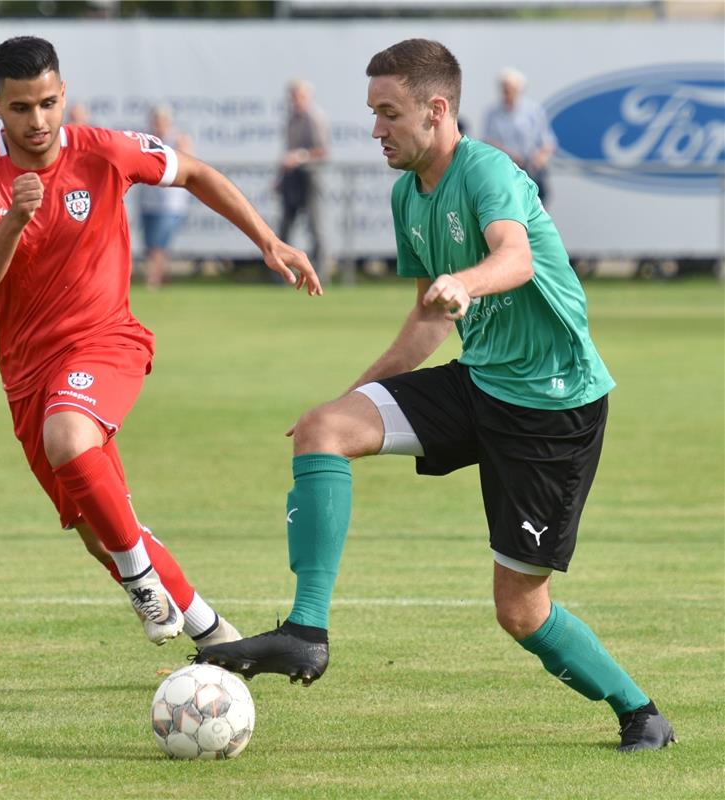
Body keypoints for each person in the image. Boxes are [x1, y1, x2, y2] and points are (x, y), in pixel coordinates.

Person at [197, 38, 675, 753]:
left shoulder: (487, 170)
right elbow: (427, 321)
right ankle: (304, 632)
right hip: (478, 381)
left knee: (519, 611)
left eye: (388, 114)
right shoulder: (406, 195)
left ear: (436, 109)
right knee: (322, 431)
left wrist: (467, 281)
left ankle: (640, 713)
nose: (375, 130)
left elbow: (512, 256)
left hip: (551, 409)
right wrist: (349, 397)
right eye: (372, 114)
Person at [0, 36, 321, 650]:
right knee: (101, 531)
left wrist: (268, 241)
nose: (36, 121)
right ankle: (216, 636)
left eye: (46, 103)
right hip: (26, 373)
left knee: (69, 436)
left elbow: (195, 172)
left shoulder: (105, 151)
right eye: (20, 108)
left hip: (106, 340)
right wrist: (13, 219)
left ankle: (142, 581)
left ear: (64, 96)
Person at [277, 79, 329, 283]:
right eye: (293, 97)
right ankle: (281, 275)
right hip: (291, 179)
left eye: (299, 96)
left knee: (316, 228)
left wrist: (299, 157)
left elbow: (322, 151)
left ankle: (320, 274)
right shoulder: (291, 119)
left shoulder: (315, 118)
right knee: (284, 228)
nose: (296, 101)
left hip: (310, 177)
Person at [136, 107, 192, 289]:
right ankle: (160, 274)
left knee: (159, 243)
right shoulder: (145, 140)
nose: (158, 124)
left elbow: (189, 165)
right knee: (150, 244)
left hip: (171, 203)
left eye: (161, 120)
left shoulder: (177, 140)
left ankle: (153, 279)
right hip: (148, 200)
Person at [483, 67, 556, 204]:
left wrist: (540, 157)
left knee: (537, 202)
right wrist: (509, 155)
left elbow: (547, 141)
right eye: (504, 88)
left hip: (532, 170)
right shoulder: (492, 113)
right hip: (505, 171)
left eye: (510, 89)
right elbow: (488, 142)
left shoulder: (533, 110)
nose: (507, 93)